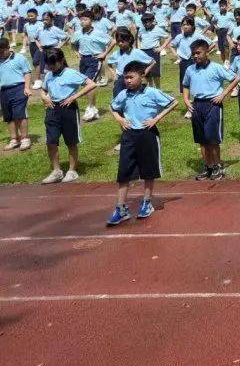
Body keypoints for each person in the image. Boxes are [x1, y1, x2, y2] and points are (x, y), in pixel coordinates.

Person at [107, 62, 176, 226]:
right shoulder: (124, 94)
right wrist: (120, 118)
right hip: (129, 136)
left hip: (147, 135)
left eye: (131, 77)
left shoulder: (151, 92)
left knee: (148, 171)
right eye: (126, 78)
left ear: (141, 76)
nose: (128, 81)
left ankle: (146, 202)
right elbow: (112, 106)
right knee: (124, 173)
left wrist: (157, 118)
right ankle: (120, 208)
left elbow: (173, 103)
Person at [38, 48, 96, 184]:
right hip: (52, 110)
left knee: (71, 141)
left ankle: (72, 171)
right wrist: (44, 98)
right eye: (48, 64)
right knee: (51, 141)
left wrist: (74, 96)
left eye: (53, 63)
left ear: (62, 60)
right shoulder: (49, 75)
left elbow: (91, 84)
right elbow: (43, 90)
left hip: (68, 109)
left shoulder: (71, 73)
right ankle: (56, 171)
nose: (51, 66)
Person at [181, 39, 235, 180]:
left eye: (198, 53)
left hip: (213, 105)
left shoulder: (216, 67)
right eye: (193, 54)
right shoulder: (190, 69)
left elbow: (235, 78)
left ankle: (217, 166)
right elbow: (185, 85)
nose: (196, 56)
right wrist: (186, 100)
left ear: (207, 52)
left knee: (213, 139)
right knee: (202, 139)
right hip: (197, 105)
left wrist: (222, 95)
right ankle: (208, 166)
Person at [0, 37, 32, 151]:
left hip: (19, 88)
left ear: (8, 48)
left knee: (20, 114)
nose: (0, 54)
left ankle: (25, 138)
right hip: (3, 90)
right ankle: (14, 139)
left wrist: (27, 87)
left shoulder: (19, 58)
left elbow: (27, 73)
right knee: (8, 116)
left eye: (2, 51)